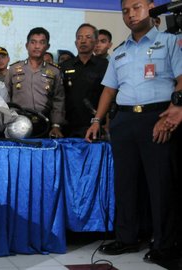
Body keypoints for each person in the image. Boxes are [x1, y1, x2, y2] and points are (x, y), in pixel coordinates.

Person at [85, 0, 182, 264]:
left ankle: (164, 245)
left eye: (136, 7)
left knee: (160, 184)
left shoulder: (171, 41)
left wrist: (177, 107)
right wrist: (97, 119)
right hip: (124, 120)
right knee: (125, 183)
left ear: (151, 7)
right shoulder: (119, 52)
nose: (130, 14)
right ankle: (127, 238)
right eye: (125, 10)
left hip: (158, 117)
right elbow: (109, 90)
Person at [5, 27, 65, 138]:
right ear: (27, 45)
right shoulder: (14, 69)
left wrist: (56, 125)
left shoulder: (54, 71)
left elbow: (58, 100)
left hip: (44, 125)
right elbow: (6, 97)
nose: (37, 46)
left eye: (41, 42)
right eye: (33, 42)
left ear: (47, 47)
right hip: (18, 124)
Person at [59, 23, 108, 137]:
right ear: (76, 42)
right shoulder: (65, 66)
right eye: (79, 37)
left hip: (95, 125)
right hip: (68, 127)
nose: (83, 41)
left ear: (96, 42)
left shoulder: (104, 65)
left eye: (88, 37)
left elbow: (110, 95)